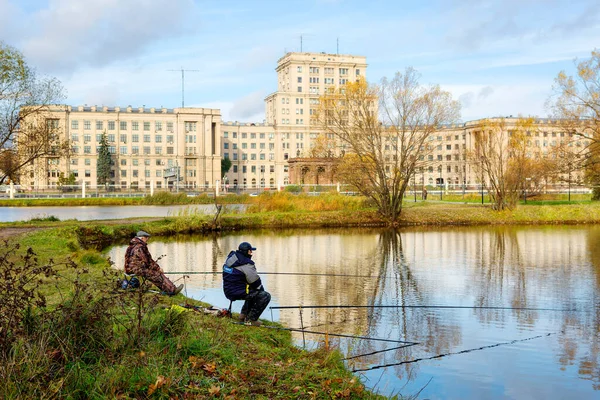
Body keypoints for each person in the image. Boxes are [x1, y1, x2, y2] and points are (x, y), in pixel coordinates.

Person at [222, 242, 271, 326]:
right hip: (237, 292)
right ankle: (251, 320)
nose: (251, 253)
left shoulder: (231, 259)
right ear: (246, 252)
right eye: (250, 251)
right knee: (264, 295)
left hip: (227, 291)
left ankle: (243, 316)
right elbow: (255, 283)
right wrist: (261, 290)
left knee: (252, 291)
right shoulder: (247, 264)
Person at [124, 231, 183, 295]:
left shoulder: (132, 245)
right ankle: (171, 290)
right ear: (142, 238)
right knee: (156, 274)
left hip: (130, 268)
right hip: (136, 269)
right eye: (146, 237)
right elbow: (147, 261)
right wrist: (158, 268)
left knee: (154, 272)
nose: (147, 239)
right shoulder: (140, 247)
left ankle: (170, 288)